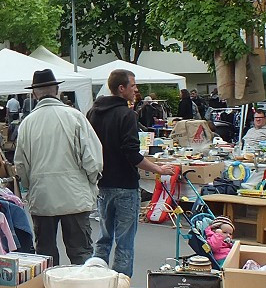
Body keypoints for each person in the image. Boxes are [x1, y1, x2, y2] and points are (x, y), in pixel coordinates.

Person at [87, 70, 178, 277]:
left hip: (102, 183)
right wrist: (158, 169)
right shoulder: (126, 114)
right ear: (122, 88)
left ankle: (95, 279)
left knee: (104, 237)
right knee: (124, 243)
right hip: (125, 185)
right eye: (133, 85)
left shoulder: (93, 112)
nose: (136, 90)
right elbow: (131, 153)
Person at [14, 69, 103, 265]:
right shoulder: (75, 117)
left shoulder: (27, 124)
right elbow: (93, 158)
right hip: (75, 195)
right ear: (57, 89)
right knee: (80, 252)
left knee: (45, 255)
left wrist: (31, 185)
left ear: (35, 93)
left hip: (43, 196)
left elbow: (21, 165)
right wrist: (91, 181)